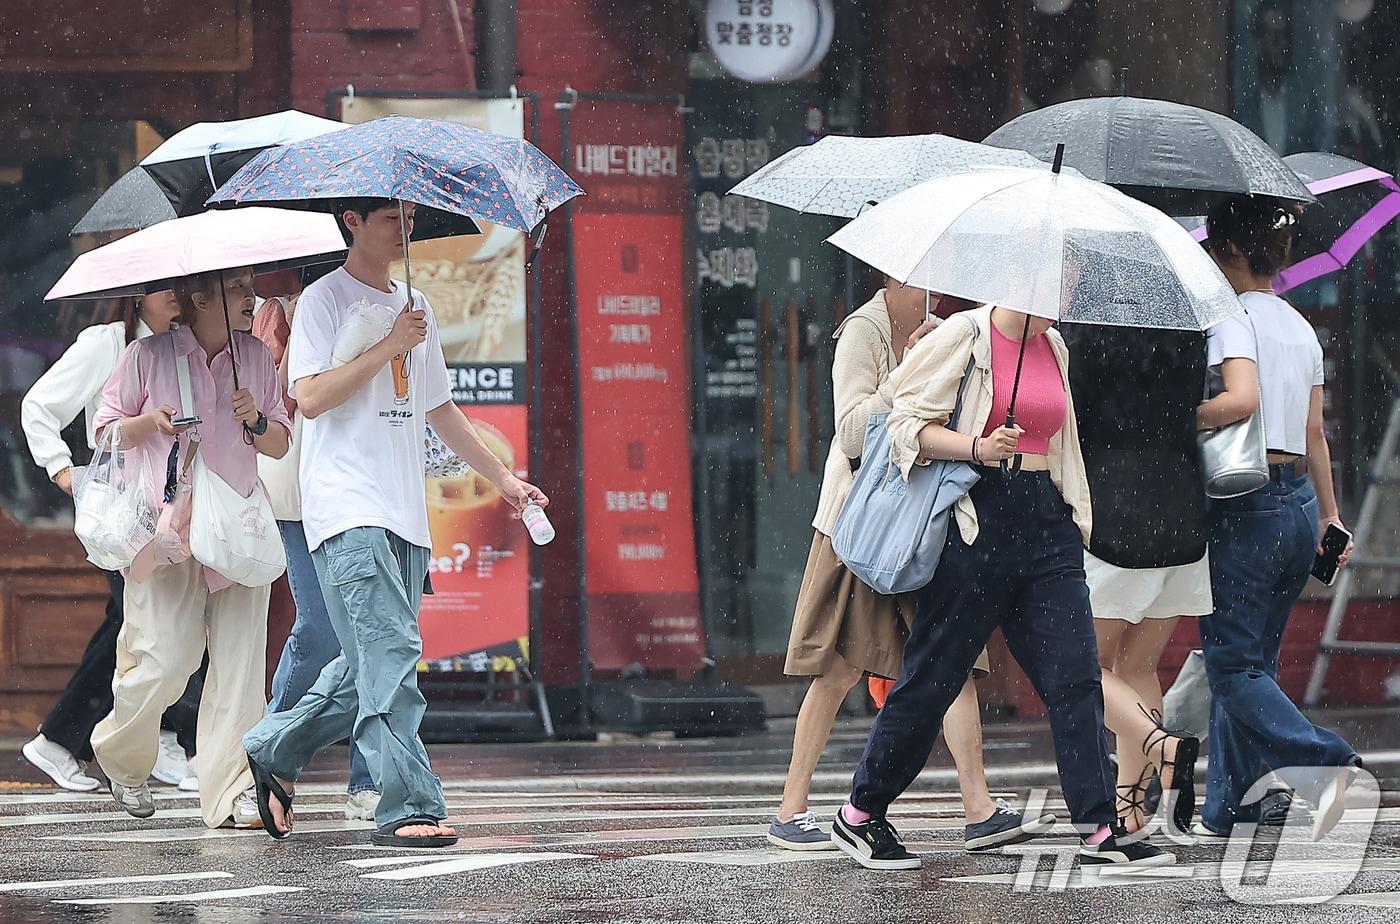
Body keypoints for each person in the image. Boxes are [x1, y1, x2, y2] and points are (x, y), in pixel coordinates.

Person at [241, 198, 548, 848]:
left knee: (364, 670)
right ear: (351, 220)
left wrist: (505, 481)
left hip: (406, 510)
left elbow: (442, 410)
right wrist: (388, 346)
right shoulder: (323, 298)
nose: (405, 224)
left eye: (409, 214)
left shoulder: (418, 305)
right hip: (346, 505)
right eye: (389, 215)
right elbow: (313, 398)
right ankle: (407, 804)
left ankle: (273, 745)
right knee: (390, 659)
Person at [831, 302, 1174, 871]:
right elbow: (900, 426)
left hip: (1046, 523)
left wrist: (1070, 511)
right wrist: (977, 448)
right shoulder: (965, 336)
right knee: (935, 676)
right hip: (976, 519)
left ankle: (1098, 826)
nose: (1060, 301)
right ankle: (862, 812)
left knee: (1076, 676)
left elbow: (1061, 442)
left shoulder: (1054, 346)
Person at [773, 281, 1050, 853]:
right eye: (929, 274)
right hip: (870, 522)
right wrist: (907, 370)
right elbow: (852, 431)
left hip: (927, 519)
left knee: (949, 658)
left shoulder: (957, 326)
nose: (941, 285)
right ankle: (791, 807)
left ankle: (979, 806)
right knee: (843, 667)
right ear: (896, 275)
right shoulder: (863, 330)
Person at [90, 267, 291, 826]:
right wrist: (147, 422)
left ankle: (229, 793)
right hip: (167, 533)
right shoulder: (146, 357)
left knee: (240, 669)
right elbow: (102, 433)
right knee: (163, 663)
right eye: (237, 290)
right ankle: (122, 757)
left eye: (251, 287)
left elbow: (280, 441)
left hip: (238, 531)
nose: (252, 298)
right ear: (198, 298)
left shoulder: (255, 358)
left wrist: (254, 420)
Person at [1193, 195, 1361, 841]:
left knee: (1231, 667)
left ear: (1231, 251)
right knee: (1251, 663)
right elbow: (1315, 431)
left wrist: (1176, 417)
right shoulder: (1296, 324)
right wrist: (1331, 515)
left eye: (1213, 247)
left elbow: (1238, 405)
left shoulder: (1230, 322)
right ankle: (1230, 804)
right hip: (1294, 507)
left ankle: (1323, 759)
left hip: (1245, 502)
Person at [19, 292, 201, 793]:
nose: (177, 295)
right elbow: (39, 404)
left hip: (173, 508)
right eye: (166, 287)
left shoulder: (184, 346)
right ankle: (96, 739)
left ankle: (72, 740)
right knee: (137, 623)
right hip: (123, 513)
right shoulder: (109, 343)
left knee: (151, 623)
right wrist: (62, 471)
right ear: (140, 293)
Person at [1060, 321, 1208, 835]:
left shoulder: (1083, 337)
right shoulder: (1189, 332)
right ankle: (1131, 808)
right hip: (1183, 508)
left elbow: (1070, 421)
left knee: (1079, 665)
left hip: (1114, 511)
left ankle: (1161, 745)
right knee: (1140, 663)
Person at [251, 269, 381, 821]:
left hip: (365, 484)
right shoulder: (273, 313)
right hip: (299, 489)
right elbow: (288, 400)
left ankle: (369, 778)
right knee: (323, 628)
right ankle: (271, 752)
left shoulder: (372, 299)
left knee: (377, 632)